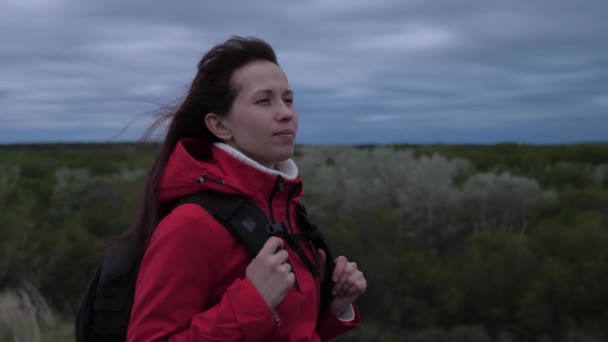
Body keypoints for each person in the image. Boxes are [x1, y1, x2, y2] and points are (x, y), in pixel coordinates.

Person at [125, 35, 367, 341]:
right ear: (220, 126)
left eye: (288, 99)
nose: (286, 113)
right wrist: (252, 302)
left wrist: (336, 307)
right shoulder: (191, 225)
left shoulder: (287, 211)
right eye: (264, 100)